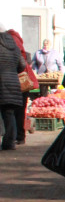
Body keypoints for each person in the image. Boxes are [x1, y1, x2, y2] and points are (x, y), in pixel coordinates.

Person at [4, 27, 36, 146]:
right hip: (21, 80)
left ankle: (11, 139)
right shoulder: (18, 45)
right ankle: (20, 136)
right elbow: (23, 64)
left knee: (8, 111)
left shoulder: (5, 45)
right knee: (19, 109)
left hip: (8, 81)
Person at [0, 22, 27, 151]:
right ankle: (10, 143)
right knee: (9, 113)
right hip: (13, 84)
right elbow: (22, 65)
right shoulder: (14, 47)